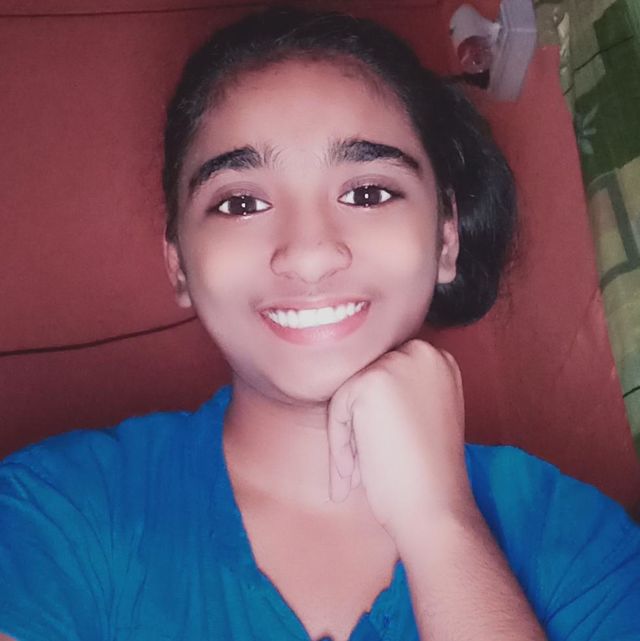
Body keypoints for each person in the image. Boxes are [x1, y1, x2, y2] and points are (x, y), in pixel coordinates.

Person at [1, 7, 639, 641]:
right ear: (179, 265)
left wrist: (443, 527)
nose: (308, 255)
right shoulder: (53, 511)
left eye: (368, 193)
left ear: (446, 239)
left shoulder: (580, 542)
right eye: (240, 202)